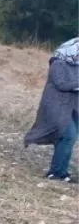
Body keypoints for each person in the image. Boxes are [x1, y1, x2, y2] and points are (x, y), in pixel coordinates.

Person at [24, 37, 79, 182]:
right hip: (57, 106)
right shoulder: (58, 63)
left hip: (74, 108)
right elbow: (61, 84)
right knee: (69, 136)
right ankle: (55, 172)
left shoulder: (76, 65)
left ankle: (61, 172)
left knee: (66, 139)